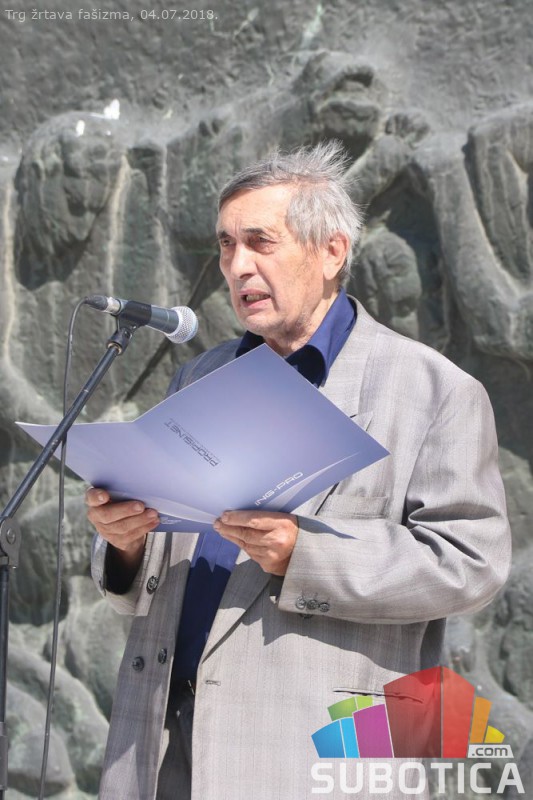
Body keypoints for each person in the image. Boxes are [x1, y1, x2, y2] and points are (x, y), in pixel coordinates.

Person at [88, 142, 511, 800]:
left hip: (306, 751)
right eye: (226, 245)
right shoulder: (201, 376)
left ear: (331, 252)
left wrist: (302, 556)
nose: (238, 266)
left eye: (260, 242)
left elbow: (470, 563)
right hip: (159, 741)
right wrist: (124, 543)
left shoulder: (433, 392)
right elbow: (162, 549)